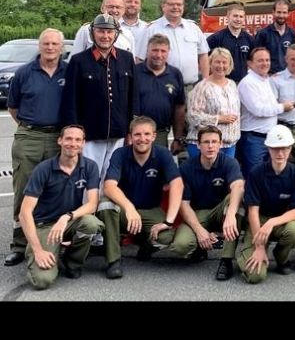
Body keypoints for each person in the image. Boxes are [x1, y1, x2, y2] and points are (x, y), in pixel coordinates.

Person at [60, 14, 135, 216]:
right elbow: (70, 101)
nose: (105, 35)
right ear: (93, 33)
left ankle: (106, 227)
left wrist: (131, 130)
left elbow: (132, 97)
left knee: (110, 182)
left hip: (118, 133)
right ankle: (87, 228)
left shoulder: (126, 59)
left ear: (116, 34)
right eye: (101, 31)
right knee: (89, 181)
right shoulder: (78, 61)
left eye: (109, 31)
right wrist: (74, 134)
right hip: (90, 134)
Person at [5, 28, 68, 267]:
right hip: (29, 137)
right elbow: (13, 107)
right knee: (23, 191)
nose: (50, 47)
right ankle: (19, 245)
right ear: (39, 46)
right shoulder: (24, 73)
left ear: (61, 47)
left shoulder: (69, 72)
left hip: (57, 138)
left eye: (54, 44)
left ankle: (54, 241)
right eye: (46, 43)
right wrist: (31, 125)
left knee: (55, 191)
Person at [101, 117, 189, 279]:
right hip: (125, 211)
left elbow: (177, 185)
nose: (142, 139)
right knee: (105, 205)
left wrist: (168, 221)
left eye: (147, 134)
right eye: (137, 134)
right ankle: (113, 260)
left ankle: (146, 245)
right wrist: (129, 208)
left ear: (154, 136)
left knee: (166, 237)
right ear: (130, 137)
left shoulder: (162, 153)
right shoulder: (120, 153)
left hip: (150, 209)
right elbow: (109, 186)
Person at [18, 125, 103, 289]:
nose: (73, 143)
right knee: (42, 280)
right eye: (68, 138)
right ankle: (45, 251)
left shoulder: (90, 166)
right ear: (60, 140)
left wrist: (67, 217)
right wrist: (38, 250)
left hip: (68, 221)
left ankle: (72, 262)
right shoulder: (44, 169)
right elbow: (24, 213)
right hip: (45, 225)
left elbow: (92, 204)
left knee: (92, 224)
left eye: (78, 139)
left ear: (83, 143)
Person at [238, 125, 295, 283]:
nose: (280, 153)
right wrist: (260, 247)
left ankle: (280, 256)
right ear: (268, 148)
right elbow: (253, 211)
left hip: (281, 221)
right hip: (259, 222)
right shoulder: (256, 173)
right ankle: (246, 250)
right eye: (275, 148)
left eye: (284, 148)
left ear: (290, 148)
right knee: (256, 276)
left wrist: (273, 222)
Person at [176, 125, 245, 280]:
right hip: (198, 213)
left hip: (222, 212)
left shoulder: (229, 163)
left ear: (221, 144)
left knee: (236, 204)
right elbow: (184, 204)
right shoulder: (186, 167)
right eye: (206, 142)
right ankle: (200, 247)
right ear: (198, 145)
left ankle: (226, 260)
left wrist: (230, 216)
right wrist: (200, 231)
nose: (210, 146)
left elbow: (238, 187)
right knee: (181, 245)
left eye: (214, 142)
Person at [136, 0, 210, 93]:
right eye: (171, 4)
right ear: (163, 6)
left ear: (183, 7)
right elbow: (139, 59)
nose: (175, 7)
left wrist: (205, 82)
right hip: (160, 88)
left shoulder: (193, 28)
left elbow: (203, 55)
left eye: (179, 4)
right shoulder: (151, 29)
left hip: (191, 89)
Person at [237, 47, 295, 176]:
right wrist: (282, 107)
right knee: (254, 176)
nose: (265, 63)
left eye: (267, 60)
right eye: (260, 60)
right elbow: (257, 109)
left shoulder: (265, 80)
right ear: (250, 64)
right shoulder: (248, 83)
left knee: (267, 176)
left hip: (267, 138)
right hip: (253, 139)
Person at [134, 33, 186, 152]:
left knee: (157, 168)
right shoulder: (135, 72)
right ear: (147, 50)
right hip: (136, 132)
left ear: (168, 52)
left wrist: (178, 138)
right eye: (155, 50)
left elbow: (179, 107)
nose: (159, 55)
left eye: (163, 51)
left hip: (161, 133)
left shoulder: (175, 74)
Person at [186, 47, 240, 160]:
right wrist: (218, 119)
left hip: (229, 145)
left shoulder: (232, 85)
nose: (221, 66)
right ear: (210, 63)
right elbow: (192, 116)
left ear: (230, 65)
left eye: (224, 62)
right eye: (217, 62)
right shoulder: (202, 87)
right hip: (204, 146)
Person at [206, 2, 257, 83]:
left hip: (243, 84)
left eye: (241, 17)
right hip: (221, 84)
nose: (238, 19)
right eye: (235, 16)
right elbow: (204, 59)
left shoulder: (250, 39)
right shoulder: (216, 38)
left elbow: (253, 62)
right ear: (228, 17)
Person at [254, 0, 295, 74]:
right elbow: (256, 57)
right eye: (279, 12)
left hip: (286, 76)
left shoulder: (292, 34)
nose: (281, 15)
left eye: (284, 12)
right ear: (273, 12)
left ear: (288, 13)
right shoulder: (263, 34)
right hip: (268, 76)